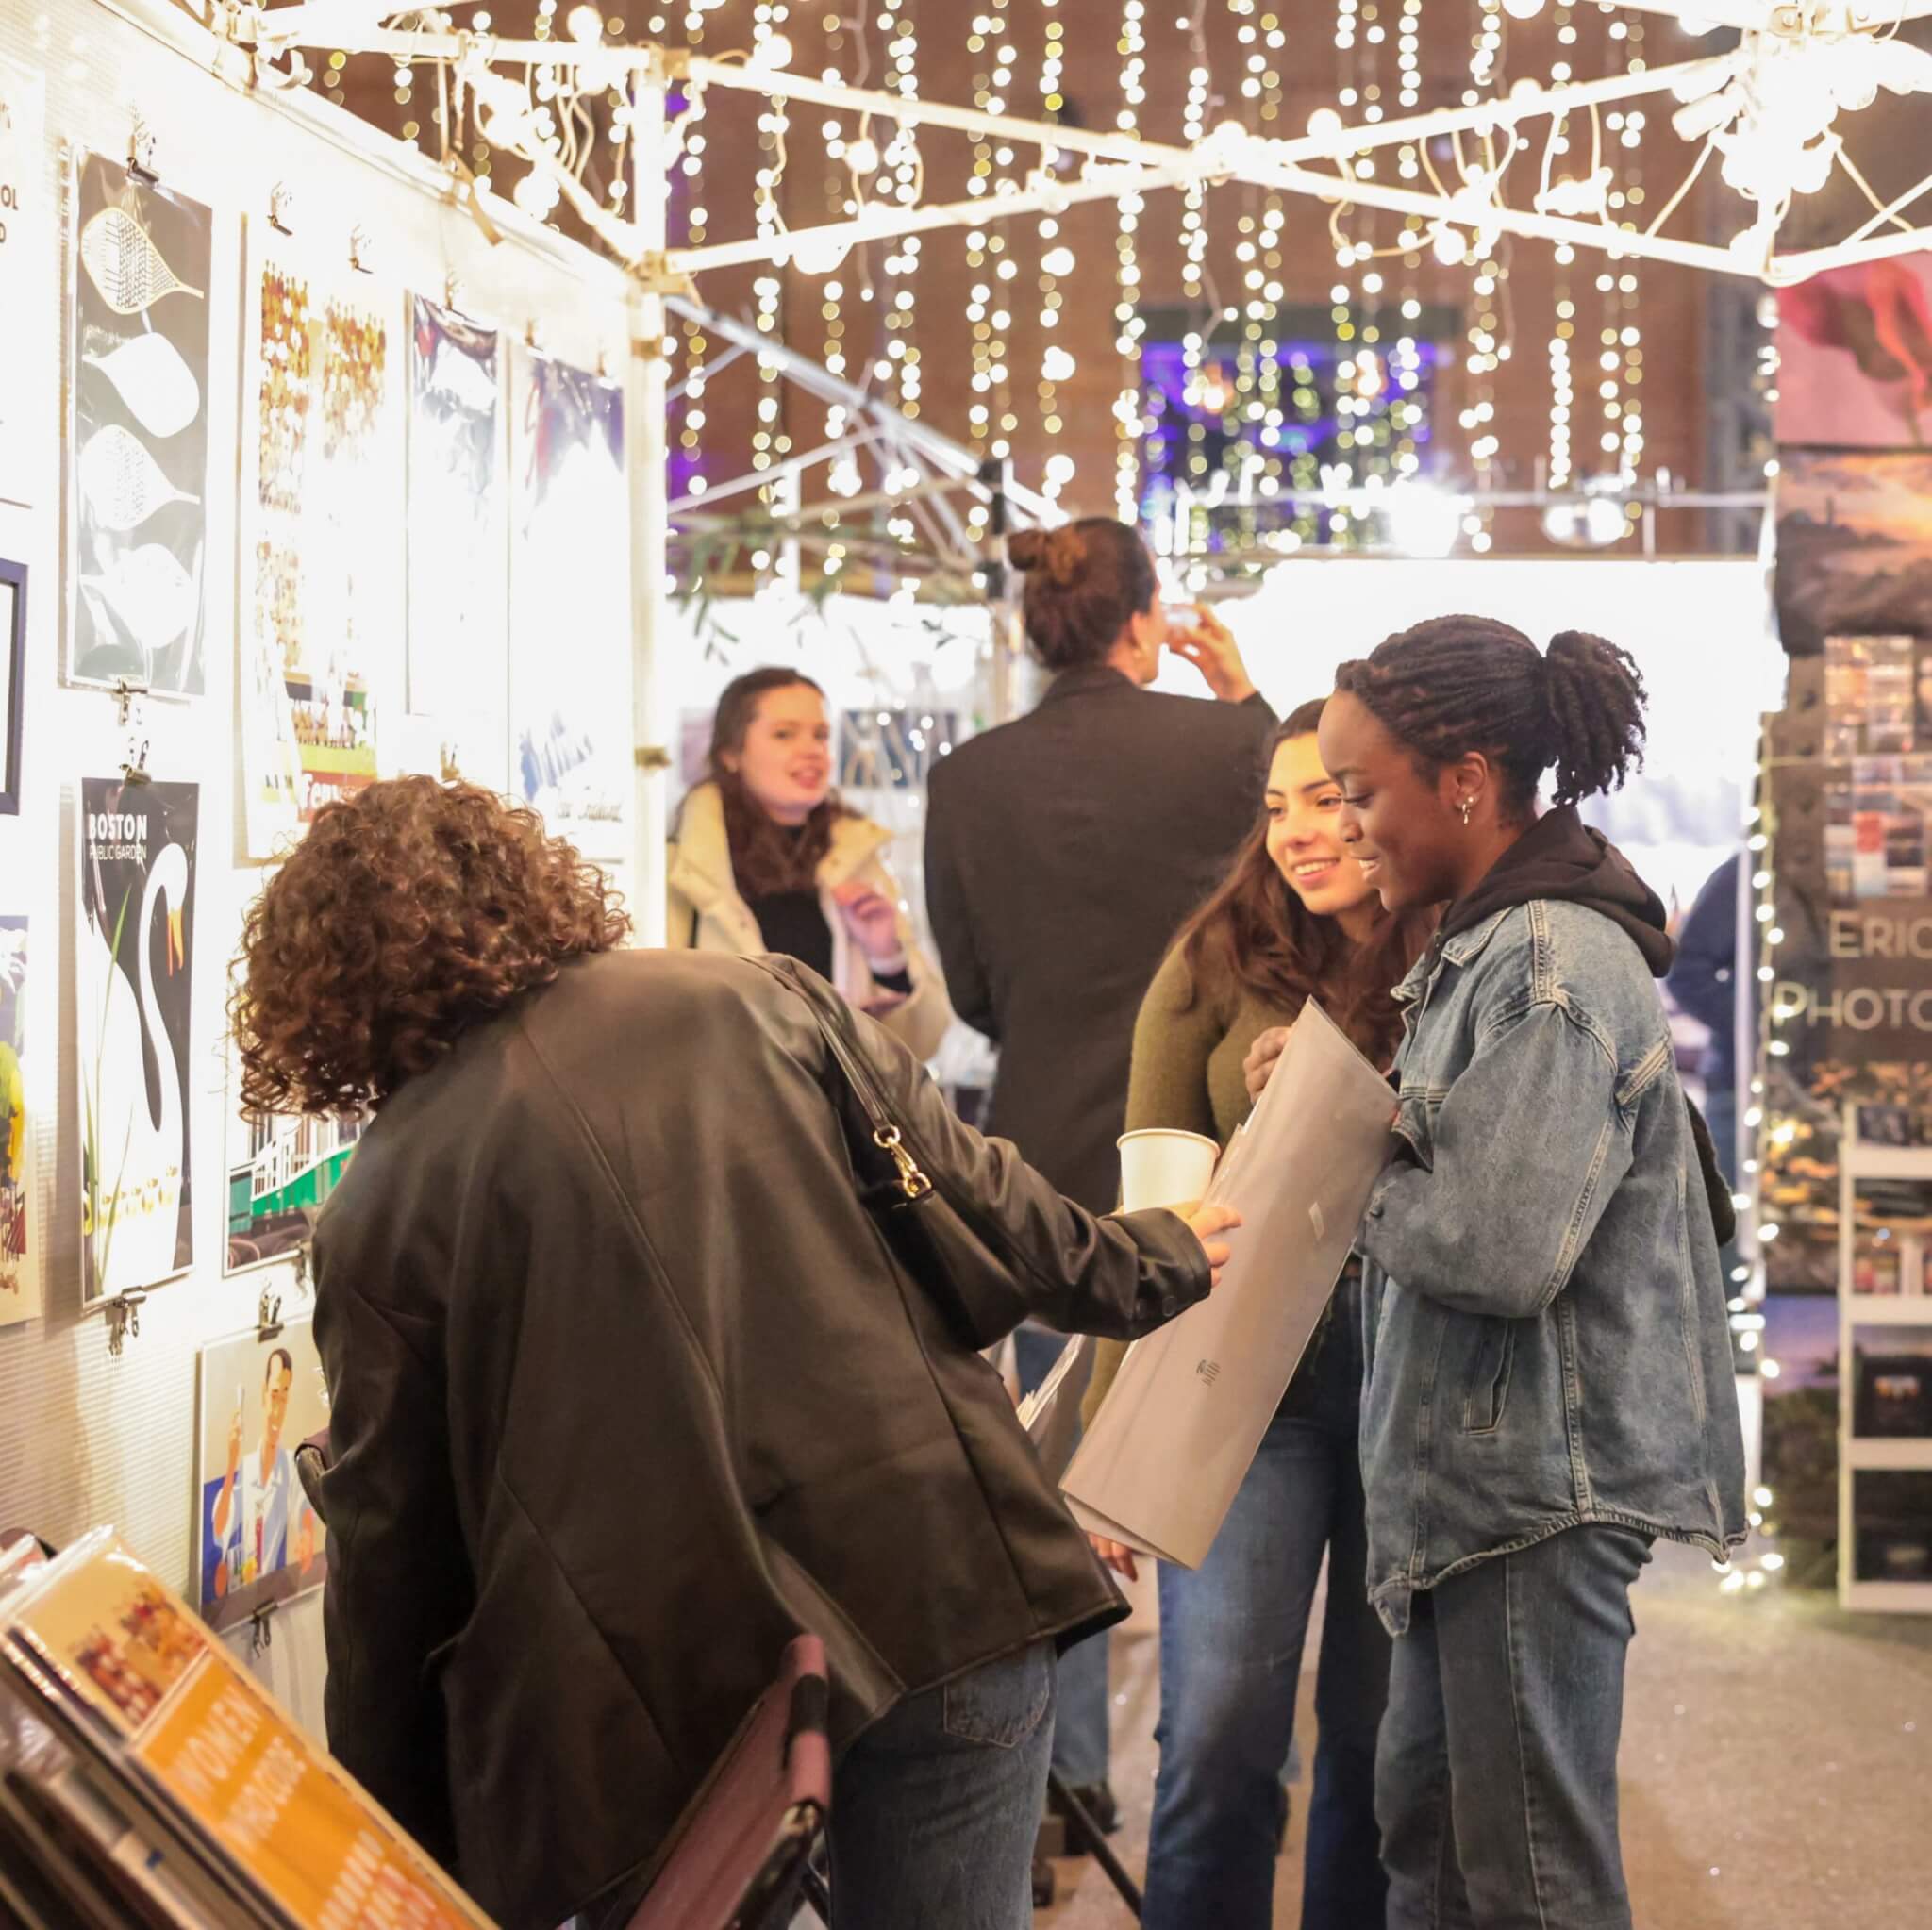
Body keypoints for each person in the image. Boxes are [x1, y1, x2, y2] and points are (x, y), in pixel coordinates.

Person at [229, 776, 1238, 1930]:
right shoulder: (754, 1000)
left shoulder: (379, 1207)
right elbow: (984, 1208)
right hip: (939, 1578)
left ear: (325, 988)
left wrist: (388, 1834)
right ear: (524, 885)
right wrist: (1152, 1256)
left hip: (677, 1701)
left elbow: (390, 1560)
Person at [1300, 618, 1747, 1929]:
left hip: (1532, 1500)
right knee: (1437, 1845)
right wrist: (1341, 1106)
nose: (1349, 826)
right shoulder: (1496, 946)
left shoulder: (1549, 964)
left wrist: (1330, 1170)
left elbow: (1494, 1243)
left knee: (1528, 1880)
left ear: (1466, 780)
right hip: (1474, 1490)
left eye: (1362, 791)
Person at [924, 517, 1275, 1818]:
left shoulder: (968, 776)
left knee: (1043, 1475)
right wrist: (1242, 691)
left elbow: (969, 988)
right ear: (1147, 623)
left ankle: (1062, 1784)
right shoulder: (1229, 745)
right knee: (1216, 1467)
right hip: (1205, 1156)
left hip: (1031, 1162)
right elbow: (1309, 870)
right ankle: (1204, 1770)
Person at [1082, 703, 1434, 1928]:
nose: (1298, 831)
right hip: (1246, 1389)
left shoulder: (1464, 951)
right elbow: (1151, 1228)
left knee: (1383, 1746)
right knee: (1221, 1732)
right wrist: (1117, 1447)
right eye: (1276, 805)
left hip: (1420, 1379)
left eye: (1328, 799)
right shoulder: (1212, 964)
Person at [669, 666, 951, 1061]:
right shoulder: (683, 868)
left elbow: (921, 1045)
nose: (812, 750)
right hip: (728, 1111)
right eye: (784, 734)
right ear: (731, 754)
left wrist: (887, 960)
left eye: (820, 735)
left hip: (833, 1115)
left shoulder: (856, 857)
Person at [208, 1345, 295, 1591]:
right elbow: (220, 1528)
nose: (277, 1410)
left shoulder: (291, 1465)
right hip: (241, 1595)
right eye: (274, 1394)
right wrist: (231, 1460)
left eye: (284, 1396)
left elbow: (306, 1518)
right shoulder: (245, 1469)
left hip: (271, 1593)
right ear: (263, 1394)